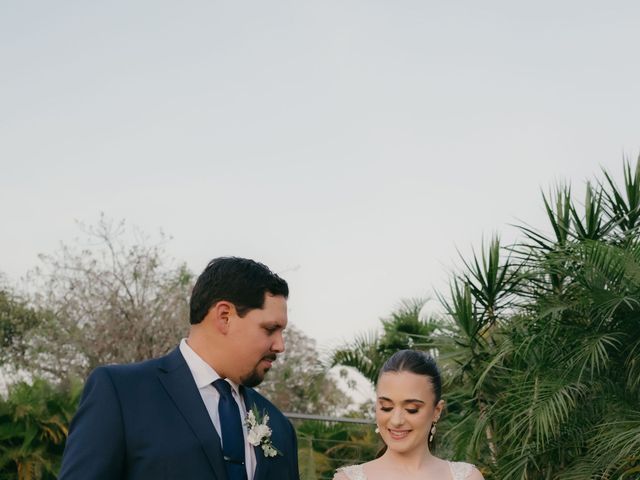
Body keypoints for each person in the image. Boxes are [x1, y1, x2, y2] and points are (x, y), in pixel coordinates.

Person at [59, 256, 300, 480]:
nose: (280, 346)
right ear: (224, 316)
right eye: (270, 329)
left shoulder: (279, 426)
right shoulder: (121, 394)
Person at [334, 350, 483, 480]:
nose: (396, 420)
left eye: (412, 409)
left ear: (436, 411)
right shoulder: (347, 478)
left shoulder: (467, 477)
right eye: (386, 407)